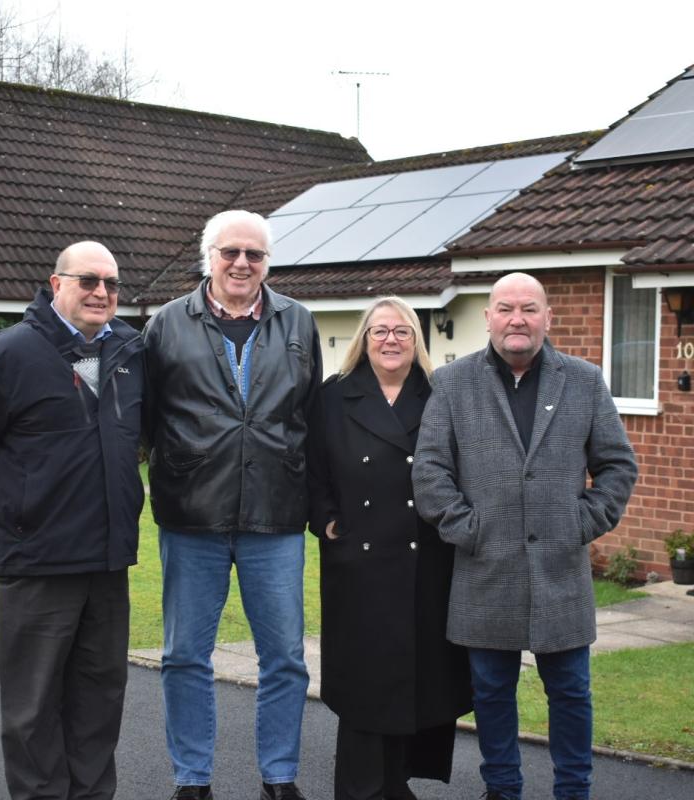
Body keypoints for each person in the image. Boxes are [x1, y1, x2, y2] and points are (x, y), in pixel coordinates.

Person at [412, 272, 638, 800]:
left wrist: (581, 524)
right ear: (488, 316)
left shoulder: (584, 380)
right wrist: (467, 529)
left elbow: (617, 467)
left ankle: (574, 789)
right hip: (484, 569)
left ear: (547, 318)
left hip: (561, 571)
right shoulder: (452, 383)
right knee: (491, 692)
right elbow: (429, 471)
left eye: (530, 309)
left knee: (571, 691)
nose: (518, 319)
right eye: (507, 308)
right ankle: (503, 789)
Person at [0, 241, 145, 800]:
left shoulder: (131, 352)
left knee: (99, 703)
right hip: (35, 563)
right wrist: (21, 512)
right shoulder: (7, 354)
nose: (102, 293)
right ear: (56, 284)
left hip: (107, 563)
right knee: (32, 712)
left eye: (111, 283)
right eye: (88, 281)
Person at [143, 209, 322, 800]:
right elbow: (146, 420)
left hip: (277, 514)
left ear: (267, 261)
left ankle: (280, 776)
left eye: (255, 254)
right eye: (230, 253)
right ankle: (192, 780)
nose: (242, 263)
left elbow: (311, 418)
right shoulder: (167, 324)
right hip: (192, 514)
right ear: (209, 257)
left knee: (287, 660)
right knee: (184, 656)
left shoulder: (299, 321)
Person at [307, 297, 473, 800]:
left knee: (417, 671)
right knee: (365, 675)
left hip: (427, 556)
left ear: (416, 340)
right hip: (359, 558)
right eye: (380, 331)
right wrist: (326, 519)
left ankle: (397, 782)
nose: (390, 340)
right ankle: (359, 788)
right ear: (364, 338)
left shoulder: (439, 393)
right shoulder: (334, 395)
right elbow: (311, 466)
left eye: (401, 331)